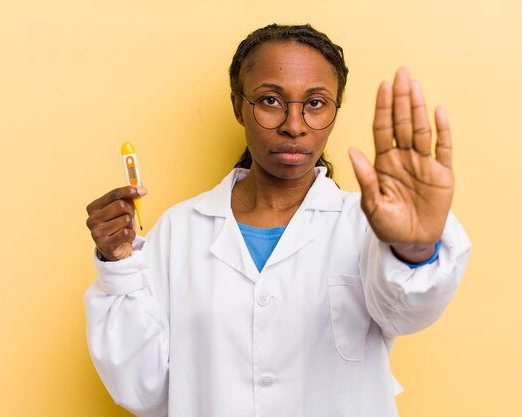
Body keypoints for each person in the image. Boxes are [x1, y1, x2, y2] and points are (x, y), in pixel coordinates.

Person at [84, 23, 471, 417]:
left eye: (316, 103)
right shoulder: (179, 230)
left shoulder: (367, 225)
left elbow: (405, 314)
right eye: (271, 100)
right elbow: (143, 389)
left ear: (336, 110)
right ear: (238, 105)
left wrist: (416, 249)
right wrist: (119, 266)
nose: (294, 124)